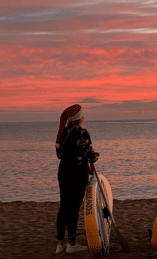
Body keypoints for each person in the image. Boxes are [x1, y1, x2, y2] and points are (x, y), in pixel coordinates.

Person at [55, 104, 99, 254]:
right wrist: (96, 156)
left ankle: (60, 244)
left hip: (63, 171)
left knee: (64, 206)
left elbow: (59, 154)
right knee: (73, 207)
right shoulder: (82, 132)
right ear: (80, 118)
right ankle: (72, 244)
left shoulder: (63, 132)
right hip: (77, 172)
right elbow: (90, 153)